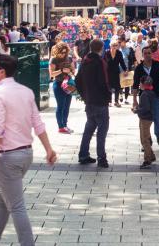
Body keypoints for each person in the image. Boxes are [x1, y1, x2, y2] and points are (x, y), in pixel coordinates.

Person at [0, 54, 57, 246]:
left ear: (1, 72)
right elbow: (38, 124)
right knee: (5, 202)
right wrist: (49, 149)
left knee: (16, 206)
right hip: (26, 154)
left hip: (7, 157)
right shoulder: (26, 91)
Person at [75, 39, 113, 168]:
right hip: (100, 101)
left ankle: (83, 154)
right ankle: (101, 157)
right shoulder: (100, 62)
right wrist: (108, 95)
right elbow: (104, 81)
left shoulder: (85, 61)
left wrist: (84, 95)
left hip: (89, 101)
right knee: (102, 130)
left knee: (89, 128)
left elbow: (77, 80)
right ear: (101, 48)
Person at [132, 47, 159, 146]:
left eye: (149, 53)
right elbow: (135, 84)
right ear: (143, 54)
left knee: (157, 118)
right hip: (144, 97)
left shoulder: (158, 65)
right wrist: (134, 100)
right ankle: (147, 139)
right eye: (145, 53)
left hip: (156, 95)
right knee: (144, 120)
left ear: (151, 54)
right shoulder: (139, 68)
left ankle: (158, 134)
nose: (147, 55)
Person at [49, 42, 75, 134]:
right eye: (61, 52)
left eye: (65, 52)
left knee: (67, 106)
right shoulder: (54, 59)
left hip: (68, 84)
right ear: (57, 51)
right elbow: (51, 74)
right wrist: (61, 70)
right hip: (58, 84)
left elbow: (73, 71)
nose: (63, 54)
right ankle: (60, 126)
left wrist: (70, 73)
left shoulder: (69, 58)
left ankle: (65, 125)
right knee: (61, 106)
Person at [135, 76, 157, 169]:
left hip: (145, 118)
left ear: (144, 84)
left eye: (140, 83)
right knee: (145, 137)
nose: (139, 85)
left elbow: (145, 108)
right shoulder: (151, 93)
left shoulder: (144, 94)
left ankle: (147, 159)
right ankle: (151, 156)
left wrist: (137, 110)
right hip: (149, 118)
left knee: (144, 139)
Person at [105, 40, 128, 108]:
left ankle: (116, 101)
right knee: (108, 87)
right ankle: (109, 101)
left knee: (117, 87)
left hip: (116, 72)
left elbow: (122, 62)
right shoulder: (107, 53)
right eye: (113, 45)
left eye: (116, 45)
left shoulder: (119, 53)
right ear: (110, 46)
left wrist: (125, 70)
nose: (115, 47)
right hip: (108, 72)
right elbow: (104, 62)